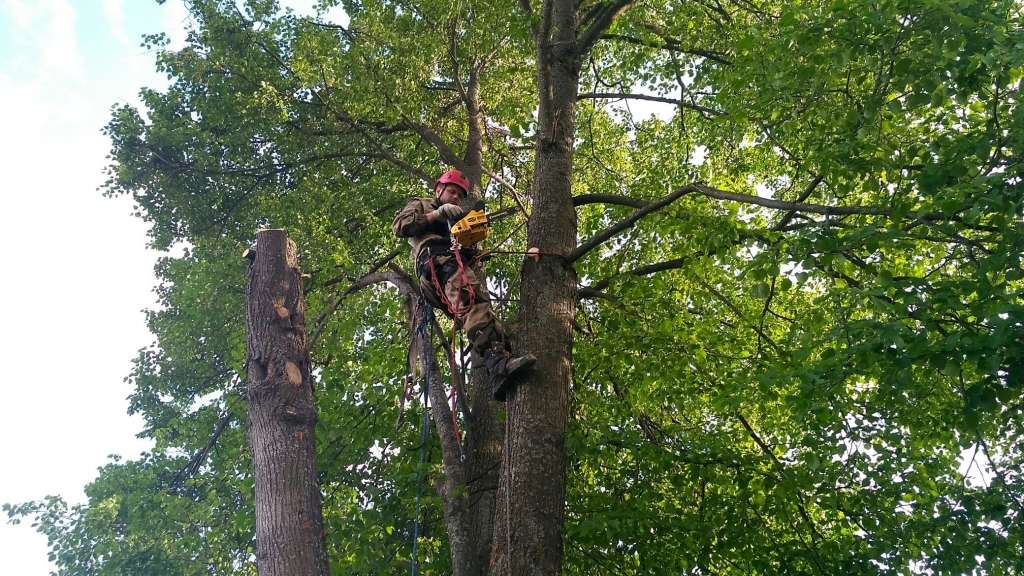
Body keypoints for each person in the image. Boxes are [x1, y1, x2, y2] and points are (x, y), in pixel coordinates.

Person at [392, 169, 535, 401]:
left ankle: (500, 363)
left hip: (447, 266)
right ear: (438, 190)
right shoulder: (423, 204)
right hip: (436, 263)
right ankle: (499, 365)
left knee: (480, 307)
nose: (456, 197)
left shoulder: (455, 220)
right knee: (471, 300)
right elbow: (400, 226)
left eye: (460, 195)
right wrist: (435, 216)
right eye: (451, 192)